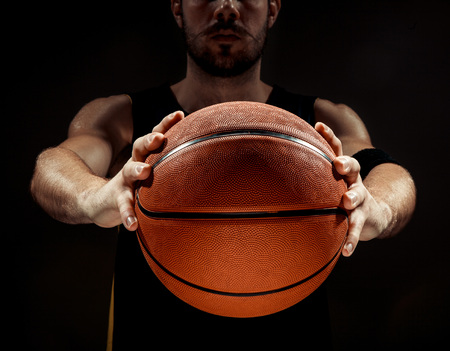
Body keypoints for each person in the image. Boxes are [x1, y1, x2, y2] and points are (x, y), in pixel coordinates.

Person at [30, 0, 416, 349]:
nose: (227, 8)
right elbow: (53, 166)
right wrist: (96, 196)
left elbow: (390, 174)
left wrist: (378, 207)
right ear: (178, 8)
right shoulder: (124, 116)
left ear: (273, 9)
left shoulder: (321, 121)